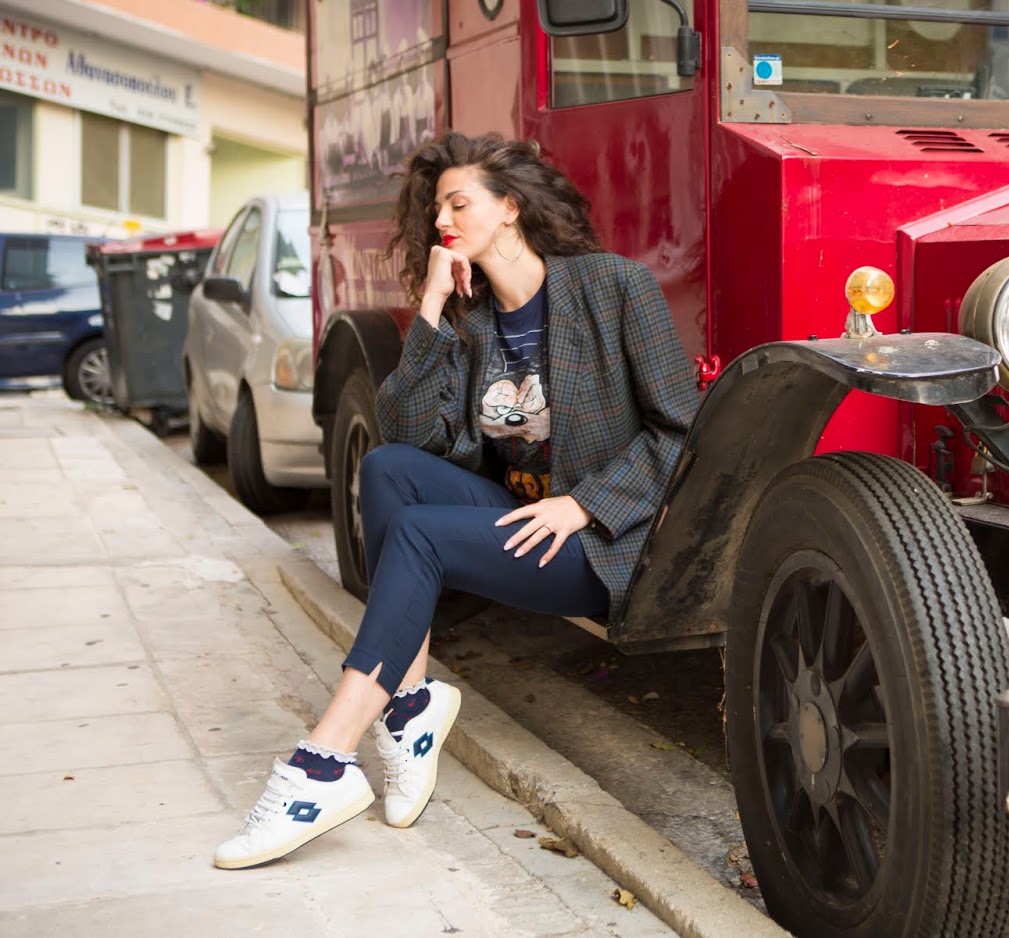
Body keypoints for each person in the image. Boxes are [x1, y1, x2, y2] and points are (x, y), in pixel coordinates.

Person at [214, 132, 699, 869]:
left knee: (419, 535)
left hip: (601, 541)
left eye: (458, 203)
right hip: (520, 515)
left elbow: (682, 430)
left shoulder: (613, 286)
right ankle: (409, 706)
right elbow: (409, 435)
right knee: (386, 471)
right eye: (437, 207)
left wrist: (585, 505)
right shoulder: (471, 321)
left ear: (510, 208)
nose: (442, 219)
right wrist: (433, 308)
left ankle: (324, 759)